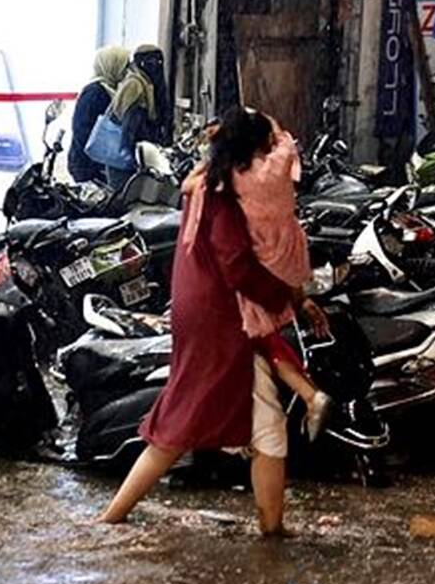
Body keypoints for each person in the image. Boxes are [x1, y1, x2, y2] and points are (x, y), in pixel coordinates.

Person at [95, 107, 311, 536]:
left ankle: (113, 516)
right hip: (224, 319)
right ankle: (272, 530)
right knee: (251, 428)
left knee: (180, 422)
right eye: (262, 147)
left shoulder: (203, 180)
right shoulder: (227, 194)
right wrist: (288, 297)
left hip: (199, 311)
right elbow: (237, 266)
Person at [227, 109, 334, 437]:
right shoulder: (278, 165)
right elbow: (286, 140)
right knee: (265, 333)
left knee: (259, 335)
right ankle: (307, 394)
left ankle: (308, 394)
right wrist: (268, 122)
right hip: (288, 253)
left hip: (259, 260)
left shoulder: (235, 175)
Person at [102, 45, 171, 188]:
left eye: (159, 62)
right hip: (126, 160)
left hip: (139, 156)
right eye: (150, 62)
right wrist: (133, 160)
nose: (156, 67)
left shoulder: (148, 85)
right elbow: (128, 128)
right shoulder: (135, 85)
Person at [70, 45, 129, 184]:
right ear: (112, 66)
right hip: (88, 166)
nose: (127, 71)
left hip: (98, 163)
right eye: (124, 66)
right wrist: (98, 161)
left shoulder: (109, 90)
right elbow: (81, 130)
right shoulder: (94, 93)